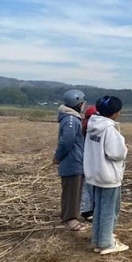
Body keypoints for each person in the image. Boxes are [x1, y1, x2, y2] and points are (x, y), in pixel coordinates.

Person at [84, 95, 129, 255]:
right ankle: (106, 243)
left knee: (99, 209)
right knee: (110, 209)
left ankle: (98, 239)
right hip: (108, 176)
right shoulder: (109, 129)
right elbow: (116, 153)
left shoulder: (92, 125)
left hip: (95, 173)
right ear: (115, 112)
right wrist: (124, 148)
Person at [53, 89, 87, 232]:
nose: (84, 105)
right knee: (72, 190)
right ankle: (70, 219)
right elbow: (67, 141)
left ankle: (70, 215)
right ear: (78, 103)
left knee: (74, 189)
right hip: (72, 160)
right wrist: (58, 156)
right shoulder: (71, 120)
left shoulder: (72, 118)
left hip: (75, 160)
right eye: (82, 102)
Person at [80, 105, 98, 221]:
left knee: (86, 186)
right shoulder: (93, 127)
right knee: (90, 186)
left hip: (83, 158)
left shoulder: (83, 125)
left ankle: (87, 210)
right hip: (90, 159)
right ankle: (89, 211)